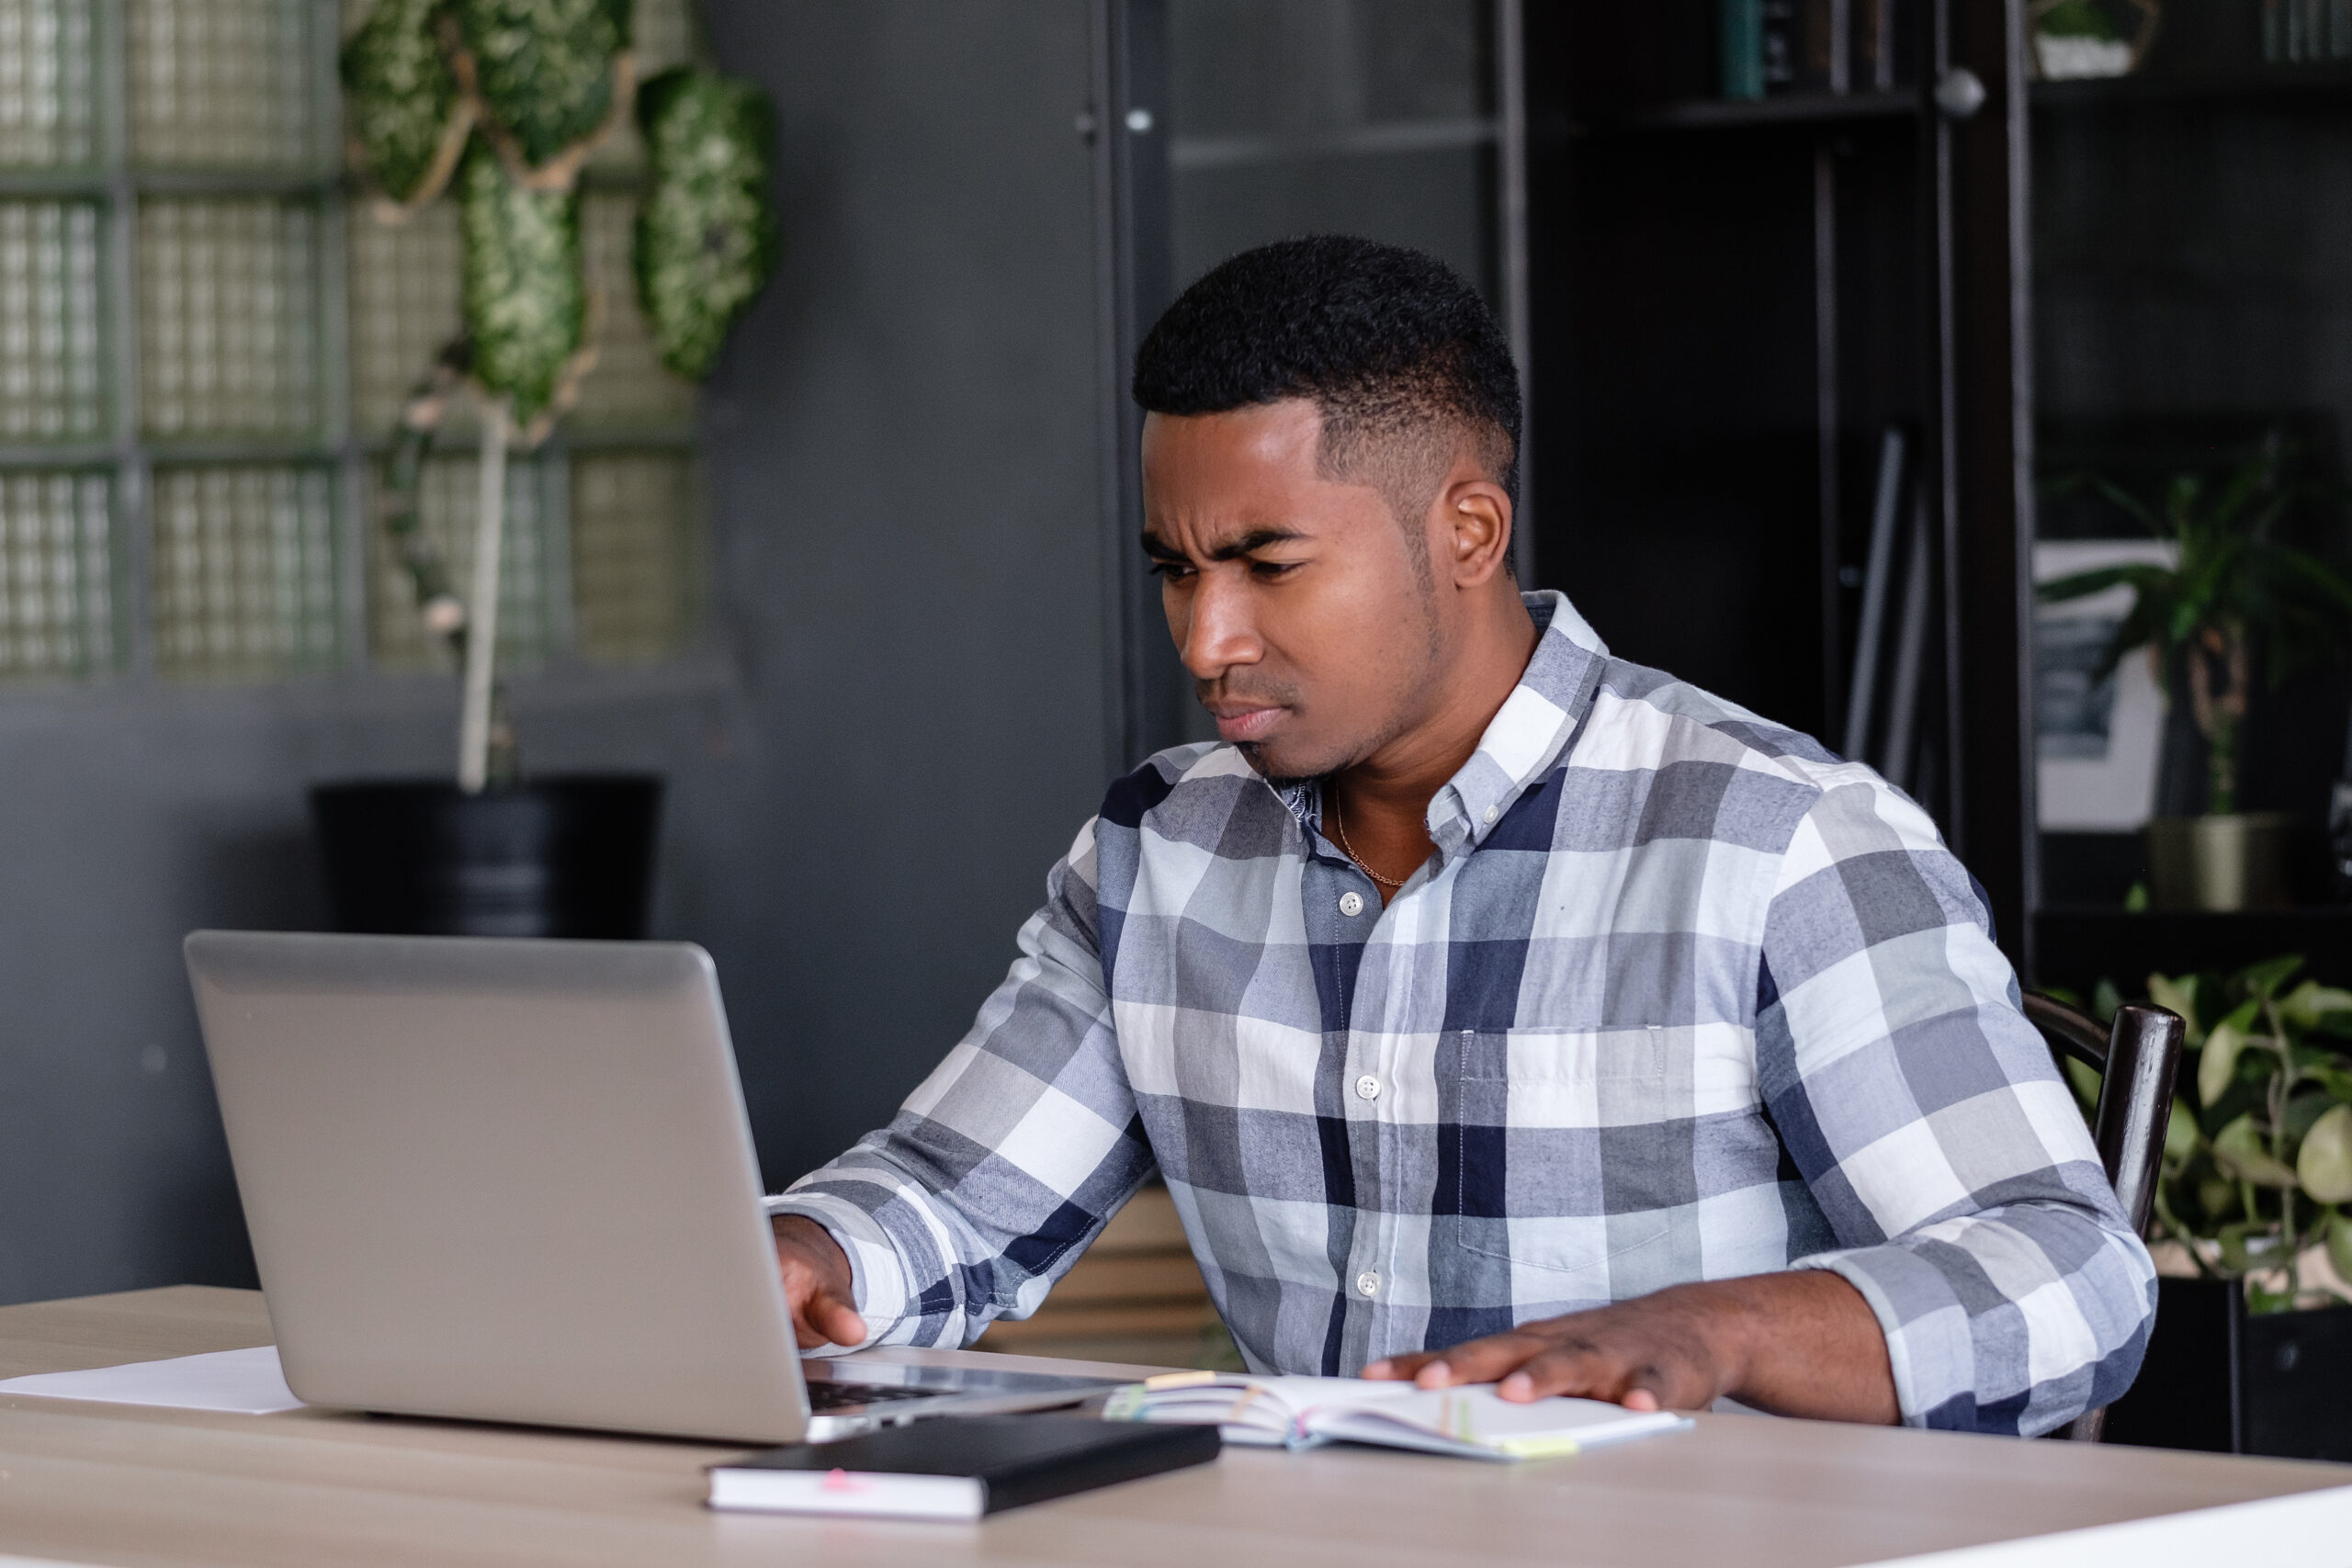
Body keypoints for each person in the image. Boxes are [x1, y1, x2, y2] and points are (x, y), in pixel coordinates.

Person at [766, 235, 2154, 1434]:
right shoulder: (1156, 853)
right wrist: (806, 1250)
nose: (1208, 637)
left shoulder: (1776, 842)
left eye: (1267, 564)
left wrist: (1716, 1333)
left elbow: (2067, 1279)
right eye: (1177, 571)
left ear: (1470, 530)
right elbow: (954, 1201)